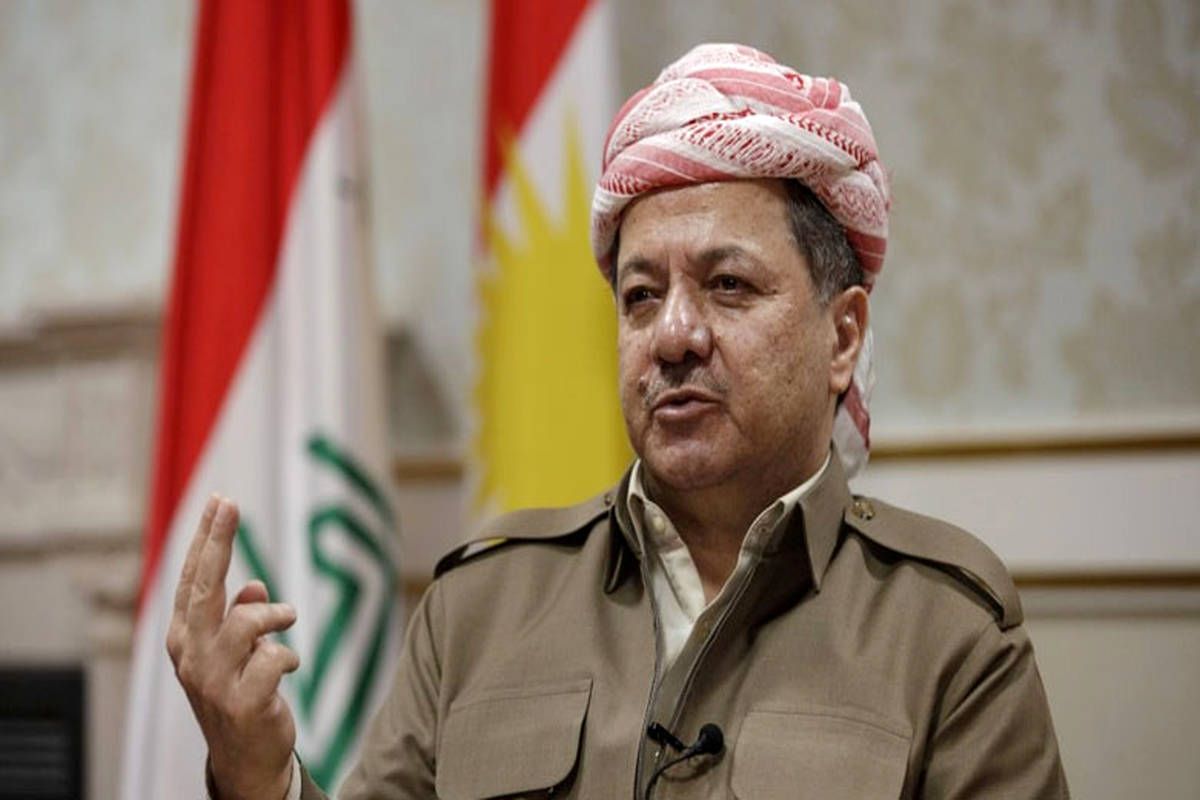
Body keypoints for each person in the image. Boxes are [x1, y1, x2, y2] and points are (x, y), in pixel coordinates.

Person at [169, 43, 1069, 799]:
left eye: (727, 285)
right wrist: (260, 776)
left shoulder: (947, 632)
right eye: (641, 295)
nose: (672, 335)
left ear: (843, 336)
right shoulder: (478, 609)